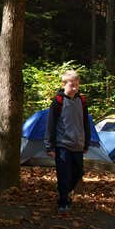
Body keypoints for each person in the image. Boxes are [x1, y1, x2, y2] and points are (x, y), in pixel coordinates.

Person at [44, 70, 91, 213]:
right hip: (62, 144)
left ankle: (64, 192)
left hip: (78, 144)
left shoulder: (81, 101)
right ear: (64, 84)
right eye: (72, 85)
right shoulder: (58, 101)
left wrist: (86, 142)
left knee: (78, 172)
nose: (75, 88)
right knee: (64, 174)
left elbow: (85, 123)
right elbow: (51, 124)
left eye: (77, 85)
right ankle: (63, 201)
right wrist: (49, 146)